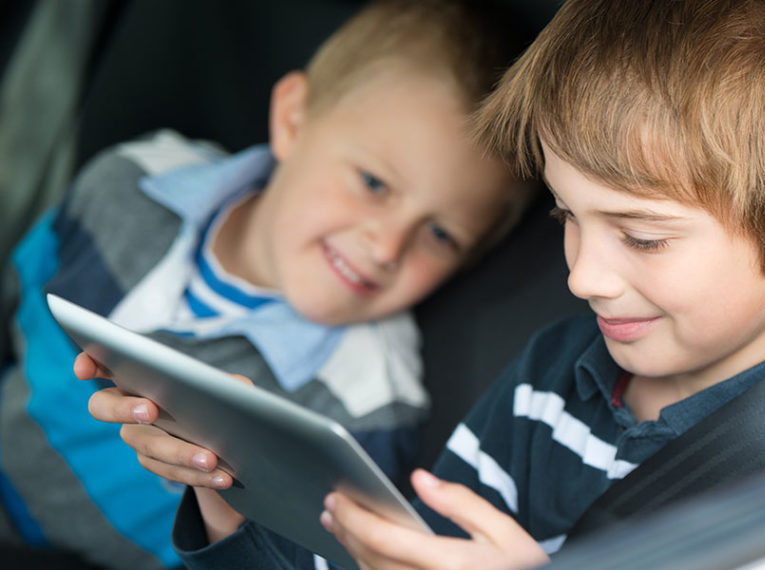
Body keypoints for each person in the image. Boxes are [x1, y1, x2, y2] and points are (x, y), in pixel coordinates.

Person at [82, 0, 765, 568]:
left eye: (643, 236)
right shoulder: (558, 379)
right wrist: (232, 491)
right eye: (567, 217)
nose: (584, 275)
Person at [0, 0, 528, 568]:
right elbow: (22, 295)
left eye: (441, 235)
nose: (386, 247)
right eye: (374, 182)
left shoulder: (364, 408)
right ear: (294, 120)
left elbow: (301, 556)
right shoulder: (132, 181)